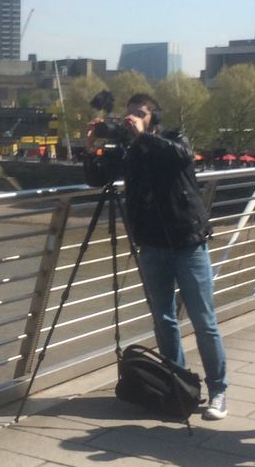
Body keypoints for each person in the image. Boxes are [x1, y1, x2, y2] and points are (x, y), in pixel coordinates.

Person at [86, 93, 229, 419]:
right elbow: (96, 178)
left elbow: (182, 158)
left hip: (188, 243)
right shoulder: (130, 151)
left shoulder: (172, 139)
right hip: (151, 246)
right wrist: (90, 145)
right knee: (164, 321)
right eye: (129, 114)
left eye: (139, 113)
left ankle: (218, 390)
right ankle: (178, 386)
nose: (131, 118)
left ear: (153, 119)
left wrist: (143, 139)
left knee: (204, 322)